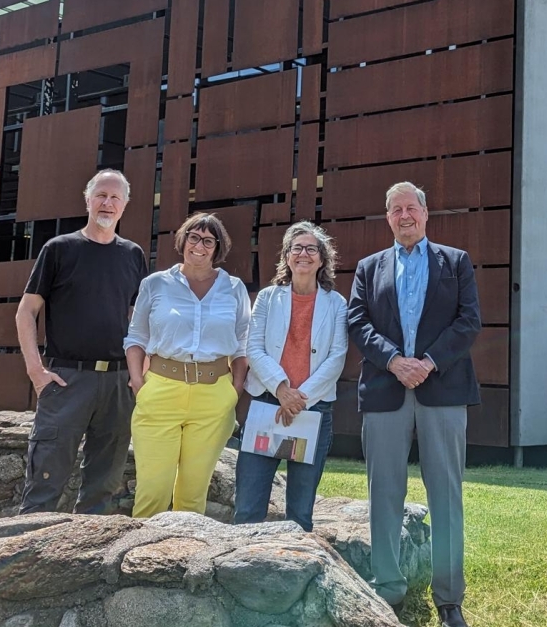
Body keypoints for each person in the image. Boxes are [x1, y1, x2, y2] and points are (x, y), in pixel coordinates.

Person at [348, 181, 482, 627]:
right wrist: (393, 361)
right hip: (386, 391)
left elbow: (469, 322)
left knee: (446, 495)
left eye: (412, 207)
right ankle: (388, 587)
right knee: (384, 493)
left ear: (426, 213)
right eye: (395, 209)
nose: (404, 215)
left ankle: (449, 599)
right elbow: (357, 321)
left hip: (441, 389)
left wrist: (426, 362)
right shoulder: (369, 268)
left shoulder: (456, 262)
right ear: (387, 217)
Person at [15, 169, 148, 515]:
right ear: (87, 200)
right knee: (45, 482)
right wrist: (36, 372)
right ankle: (26, 562)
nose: (107, 203)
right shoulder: (59, 249)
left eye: (115, 197)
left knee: (103, 488)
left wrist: (138, 375)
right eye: (101, 195)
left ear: (125, 205)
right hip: (67, 380)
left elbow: (139, 322)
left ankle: (88, 563)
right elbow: (26, 312)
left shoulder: (133, 255)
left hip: (118, 383)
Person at [124, 212, 250, 518]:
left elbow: (243, 343)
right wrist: (139, 382)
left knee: (193, 496)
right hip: (160, 391)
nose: (200, 246)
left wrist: (233, 390)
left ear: (217, 247)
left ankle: (183, 561)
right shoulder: (155, 284)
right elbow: (136, 336)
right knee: (153, 491)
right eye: (194, 237)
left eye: (209, 240)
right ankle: (141, 562)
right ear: (183, 241)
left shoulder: (233, 288)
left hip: (214, 397)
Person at [235, 221, 347, 531]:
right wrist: (283, 389)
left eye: (312, 249)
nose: (304, 254)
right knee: (248, 507)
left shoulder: (337, 304)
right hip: (266, 406)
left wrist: (299, 398)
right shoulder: (269, 298)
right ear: (287, 257)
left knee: (300, 513)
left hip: (312, 411)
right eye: (296, 248)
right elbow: (253, 348)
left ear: (322, 259)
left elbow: (337, 358)